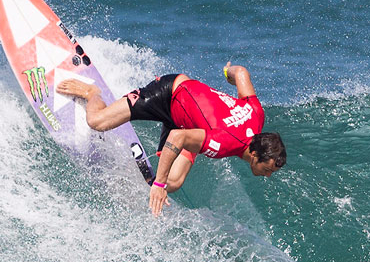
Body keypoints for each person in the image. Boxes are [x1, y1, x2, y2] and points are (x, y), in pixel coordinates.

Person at [56, 62, 286, 216]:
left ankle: (146, 178)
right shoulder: (224, 143)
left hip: (189, 121)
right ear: (254, 154)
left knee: (173, 182)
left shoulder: (257, 114)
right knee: (97, 122)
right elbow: (177, 137)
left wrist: (228, 73)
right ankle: (92, 93)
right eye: (267, 169)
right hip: (169, 93)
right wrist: (158, 184)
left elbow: (241, 73)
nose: (268, 175)